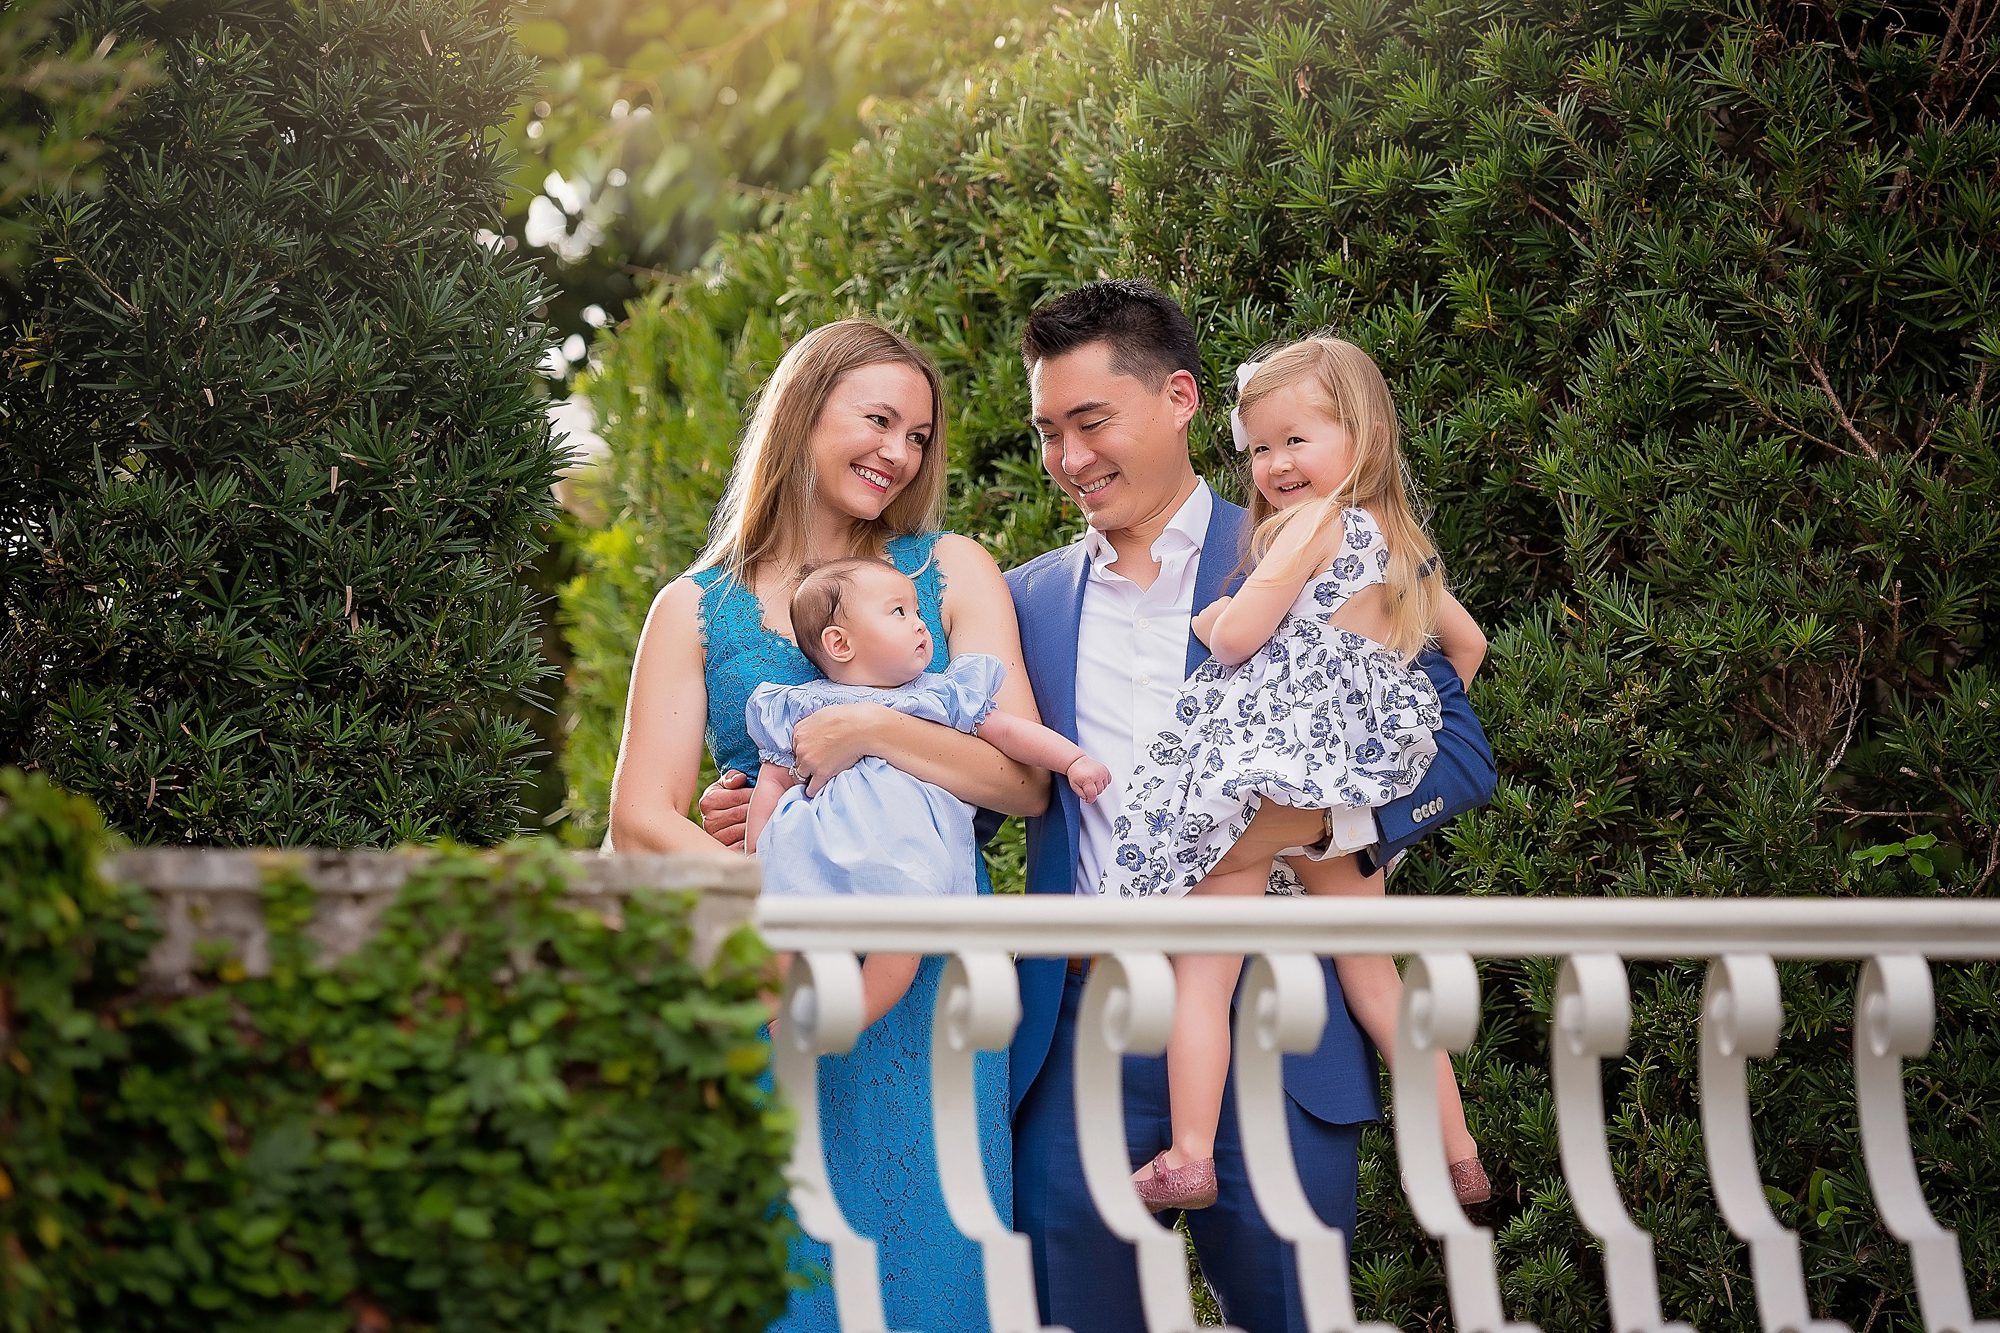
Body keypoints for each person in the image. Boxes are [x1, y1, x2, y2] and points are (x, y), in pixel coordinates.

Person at [1003, 279, 1496, 1333]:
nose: (1068, 457)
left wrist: (1320, 828)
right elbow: (980, 780)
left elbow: (1451, 747)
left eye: (1091, 422)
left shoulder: (1297, 542)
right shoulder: (1021, 597)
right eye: (1046, 432)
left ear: (1179, 398)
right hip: (1081, 1021)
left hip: (1282, 1011)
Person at [608, 318, 1047, 1333]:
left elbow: (1022, 780)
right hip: (765, 982)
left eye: (918, 436)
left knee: (933, 1274)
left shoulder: (950, 572)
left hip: (924, 985)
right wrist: (787, 890)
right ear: (801, 413)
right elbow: (637, 818)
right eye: (878, 420)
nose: (898, 452)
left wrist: (865, 728)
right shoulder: (693, 608)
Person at [1099, 336, 1490, 1213]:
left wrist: (1211, 623)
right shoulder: (1405, 547)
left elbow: (1241, 638)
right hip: (1347, 793)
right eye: (1261, 447)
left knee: (1207, 964)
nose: (1275, 464)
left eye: (1295, 440)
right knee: (1378, 979)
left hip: (1268, 775)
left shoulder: (1314, 524)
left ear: (1360, 435)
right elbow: (1468, 646)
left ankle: (1189, 1153)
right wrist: (1388, 722)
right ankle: (1460, 1155)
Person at [745, 555, 1110, 1019]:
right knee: (779, 923)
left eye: (917, 611)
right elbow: (774, 780)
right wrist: (757, 854)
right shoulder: (801, 705)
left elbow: (1012, 733)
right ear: (839, 643)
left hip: (906, 855)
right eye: (899, 613)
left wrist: (1071, 760)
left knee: (902, 944)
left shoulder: (941, 695)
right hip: (816, 848)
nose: (920, 625)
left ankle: (848, 1014)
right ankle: (772, 1009)